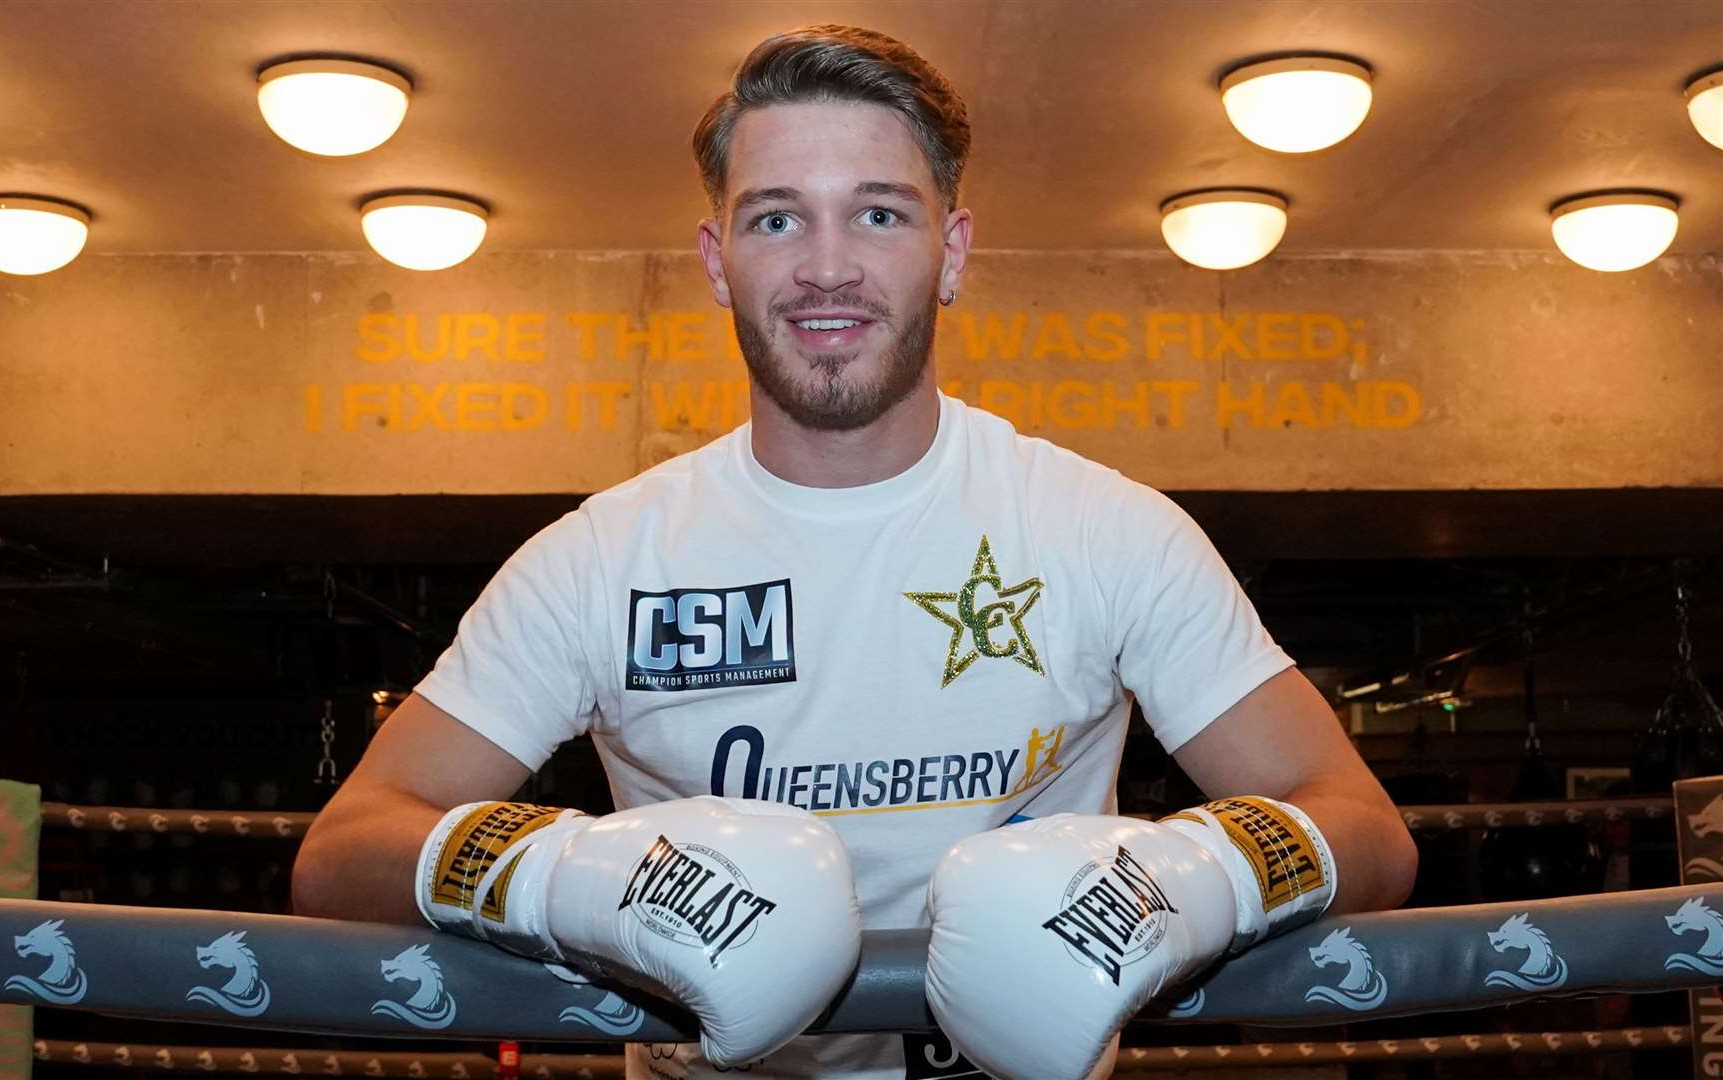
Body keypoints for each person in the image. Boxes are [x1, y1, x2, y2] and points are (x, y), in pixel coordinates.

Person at [291, 23, 1418, 1080]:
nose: (826, 268)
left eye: (879, 213)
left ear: (953, 249)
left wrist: (1184, 885)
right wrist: (573, 878)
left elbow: (1361, 826)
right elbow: (343, 853)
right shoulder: (597, 561)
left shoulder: (1104, 530)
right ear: (717, 259)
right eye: (776, 217)